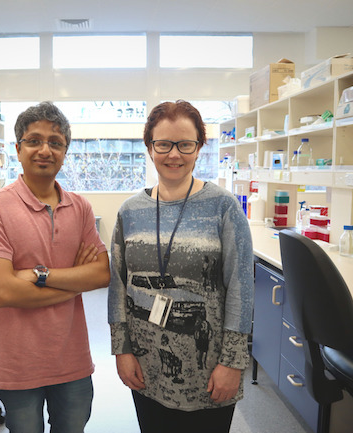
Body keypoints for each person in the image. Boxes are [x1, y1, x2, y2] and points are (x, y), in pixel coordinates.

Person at [108, 100, 254, 433]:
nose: (174, 154)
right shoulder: (130, 211)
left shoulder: (223, 206)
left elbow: (241, 288)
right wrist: (123, 350)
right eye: (164, 144)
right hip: (146, 364)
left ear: (199, 147)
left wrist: (232, 362)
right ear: (149, 147)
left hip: (207, 367)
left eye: (185, 144)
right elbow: (118, 284)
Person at [0, 101, 110, 433]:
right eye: (34, 141)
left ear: (65, 152)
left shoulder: (80, 208)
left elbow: (103, 274)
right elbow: (4, 292)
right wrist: (77, 281)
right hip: (18, 362)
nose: (45, 150)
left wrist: (39, 276)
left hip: (73, 359)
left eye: (56, 142)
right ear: (18, 149)